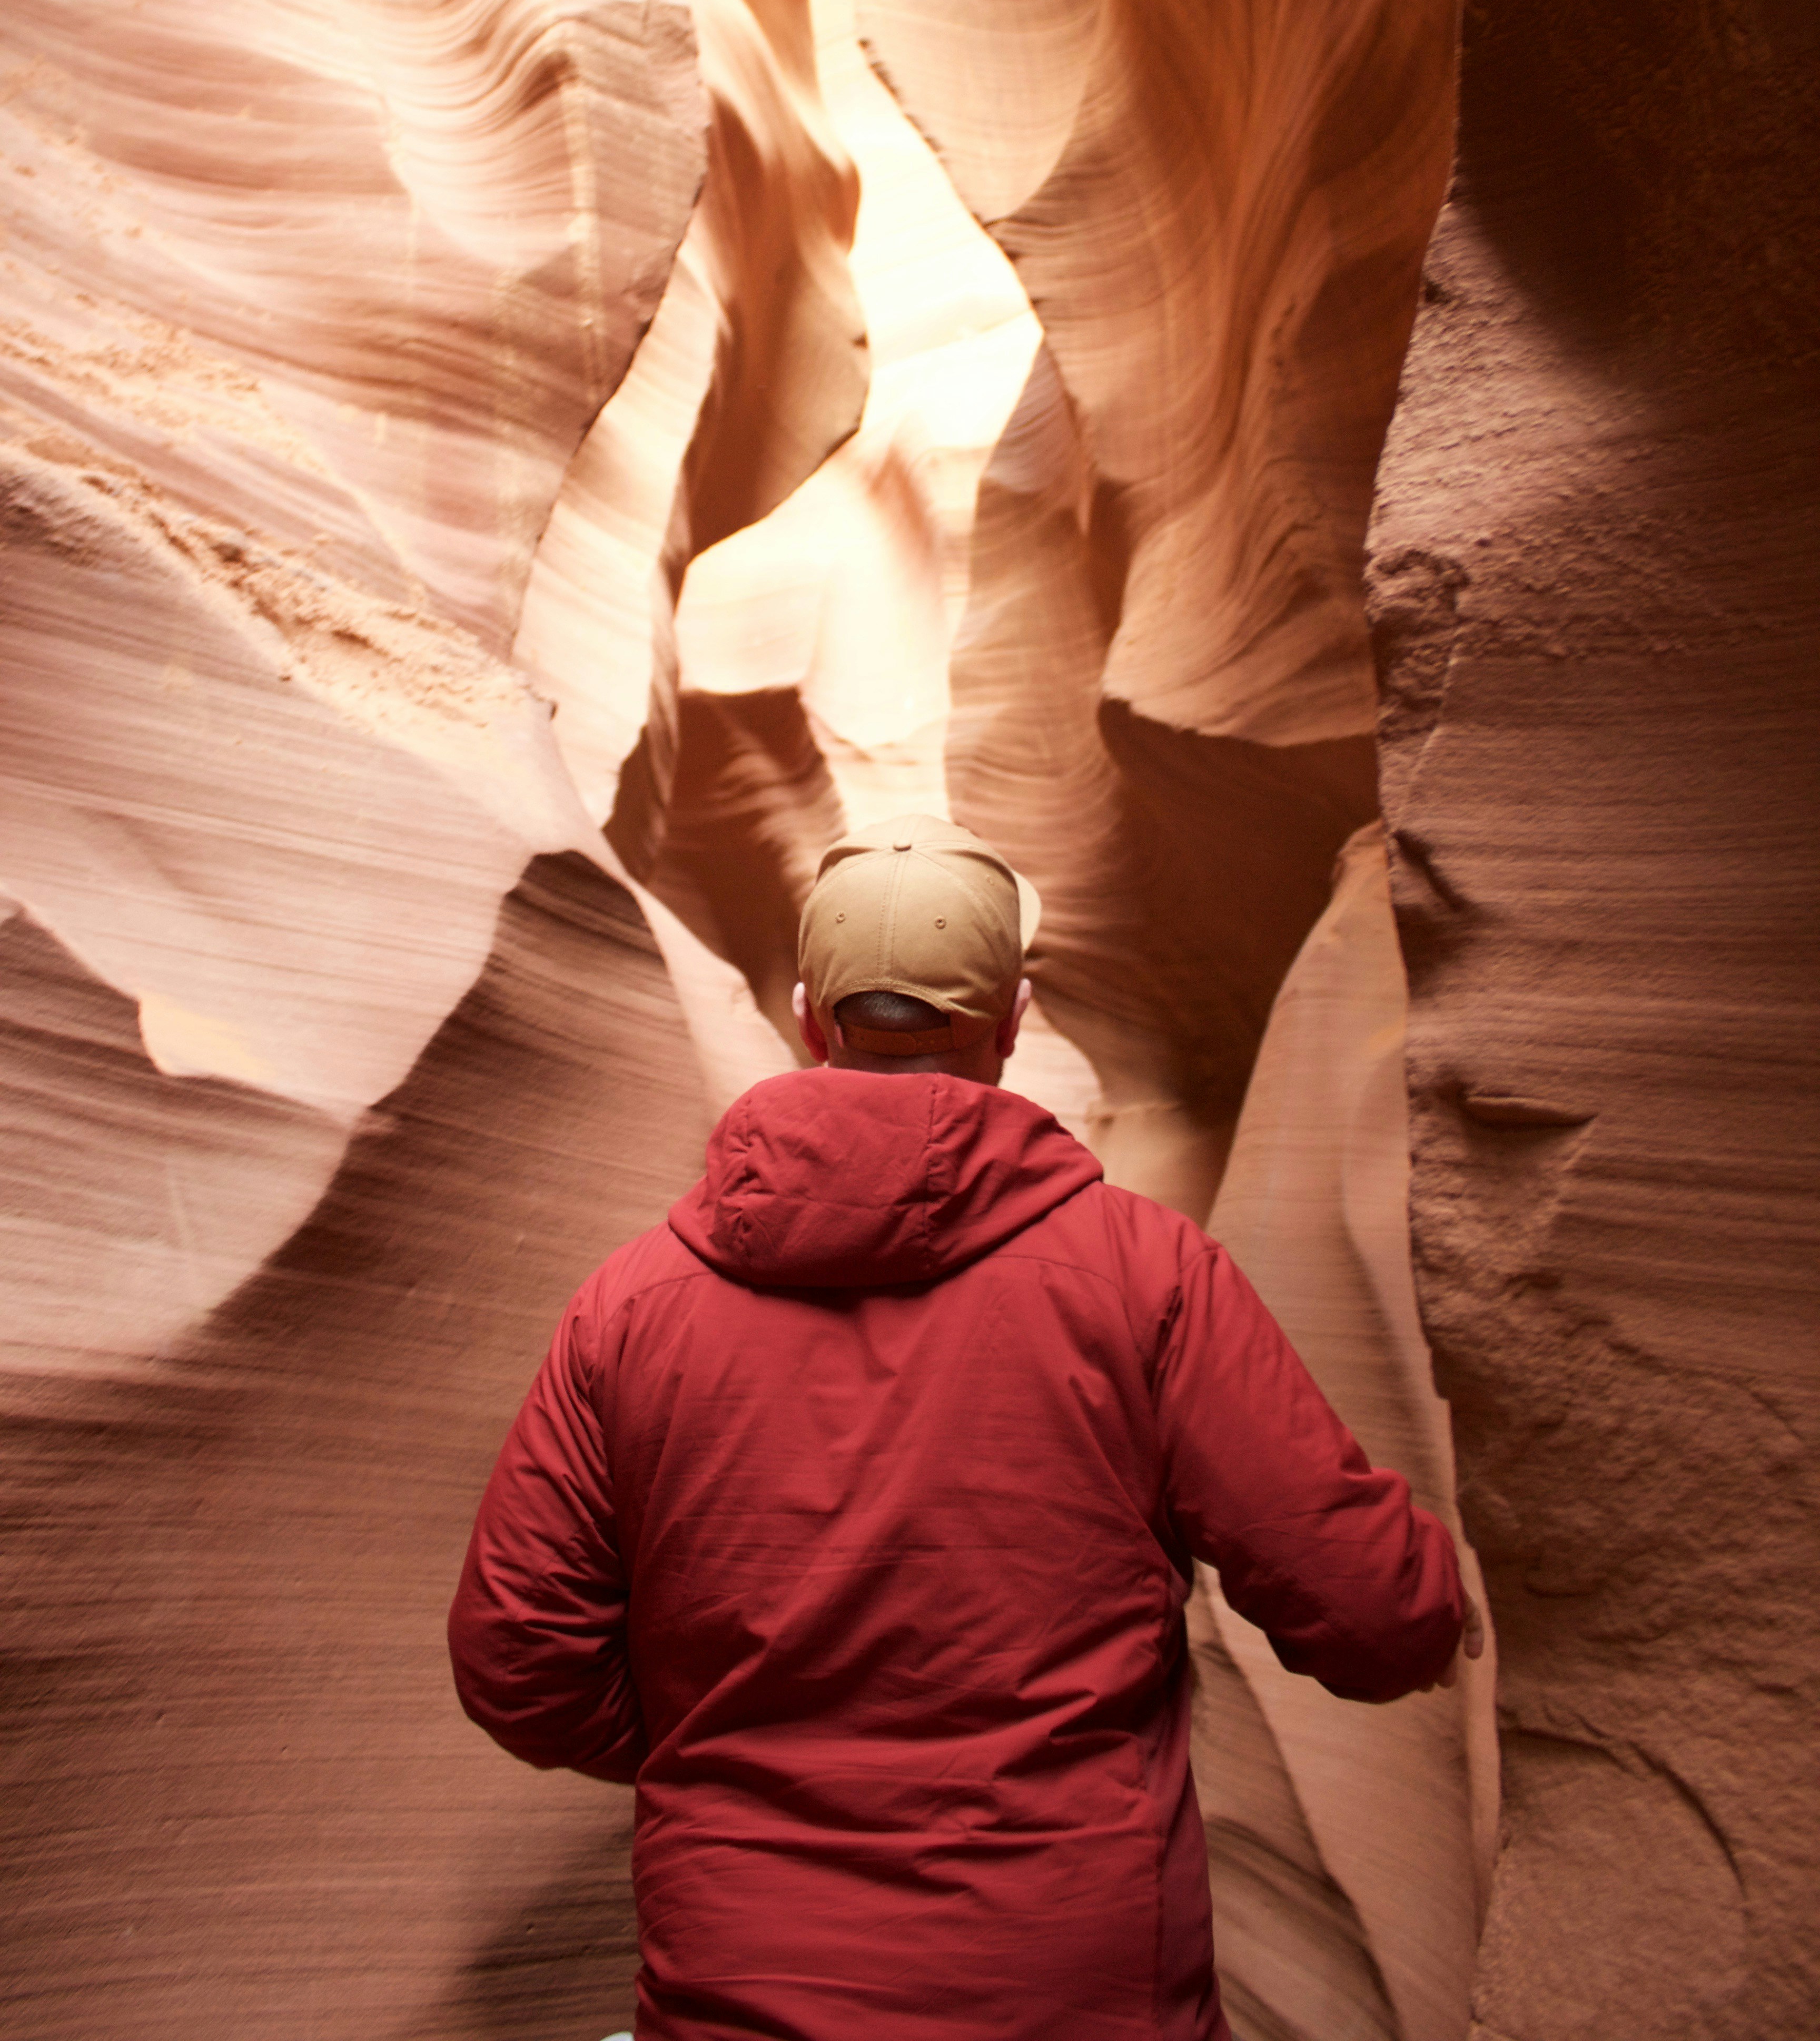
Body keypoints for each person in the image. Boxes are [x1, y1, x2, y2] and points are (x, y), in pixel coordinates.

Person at [448, 813, 1480, 2040]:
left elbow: (520, 1662)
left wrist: (724, 1751)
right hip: (1075, 1994)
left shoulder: (631, 1306)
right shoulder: (1143, 1278)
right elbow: (1373, 1616)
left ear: (806, 1016)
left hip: (744, 1986)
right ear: (1014, 1019)